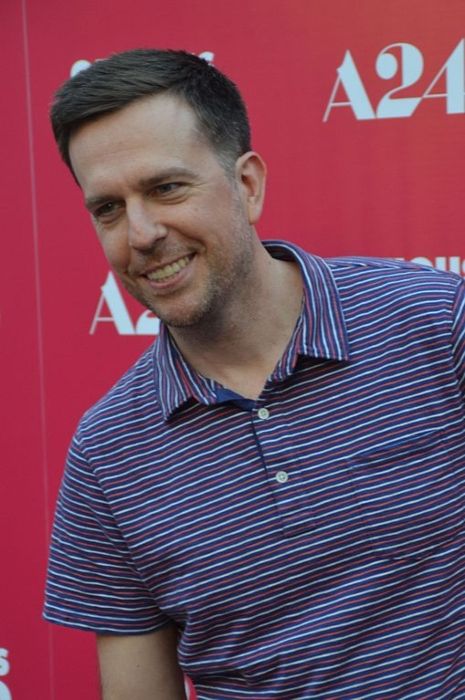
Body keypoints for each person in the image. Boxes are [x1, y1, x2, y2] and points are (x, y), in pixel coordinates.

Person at [44, 49, 465, 700]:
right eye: (108, 208)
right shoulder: (106, 454)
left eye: (166, 188)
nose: (142, 232)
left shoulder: (436, 324)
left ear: (246, 184)